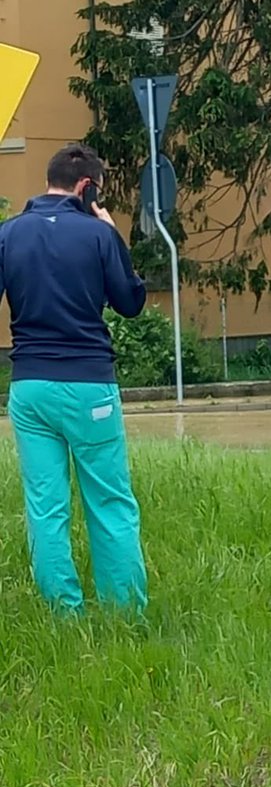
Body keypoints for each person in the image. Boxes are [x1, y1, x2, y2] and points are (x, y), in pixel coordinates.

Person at [0, 143, 148, 613]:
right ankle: (124, 612)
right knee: (109, 502)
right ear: (86, 187)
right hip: (89, 385)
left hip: (29, 386)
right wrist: (113, 235)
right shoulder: (97, 235)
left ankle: (64, 613)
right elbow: (130, 302)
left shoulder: (8, 234)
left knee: (45, 507)